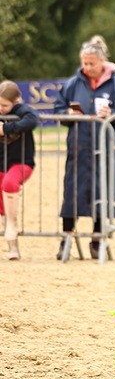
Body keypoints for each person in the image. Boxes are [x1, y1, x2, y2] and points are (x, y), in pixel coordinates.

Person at [52, 35, 115, 260]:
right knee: (72, 191)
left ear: (101, 63)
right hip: (79, 149)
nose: (87, 67)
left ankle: (97, 239)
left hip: (106, 149)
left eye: (91, 63)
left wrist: (114, 115)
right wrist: (67, 114)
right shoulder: (73, 83)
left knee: (103, 191)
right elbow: (58, 108)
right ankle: (66, 238)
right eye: (84, 63)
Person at [0, 81, 39, 260]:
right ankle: (11, 245)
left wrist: (6, 129)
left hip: (21, 162)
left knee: (9, 183)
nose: (1, 108)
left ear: (15, 102)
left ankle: (12, 232)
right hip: (1, 165)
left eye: (5, 105)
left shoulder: (22, 111)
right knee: (2, 205)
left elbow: (32, 119)